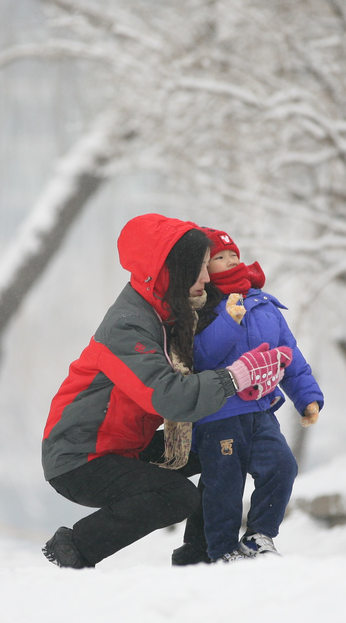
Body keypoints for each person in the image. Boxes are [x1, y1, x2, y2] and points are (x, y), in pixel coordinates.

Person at [40, 214, 292, 569]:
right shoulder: (130, 325)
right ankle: (75, 548)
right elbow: (170, 396)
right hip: (80, 457)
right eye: (199, 269)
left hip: (125, 446)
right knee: (175, 496)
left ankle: (200, 555)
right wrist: (236, 377)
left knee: (219, 445)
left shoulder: (171, 310)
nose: (207, 277)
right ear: (170, 271)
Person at [189, 227, 324, 563]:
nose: (230, 261)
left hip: (261, 411)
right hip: (218, 415)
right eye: (219, 258)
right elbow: (200, 358)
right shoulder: (201, 305)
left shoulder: (263, 303)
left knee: (282, 466)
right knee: (224, 485)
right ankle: (221, 550)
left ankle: (259, 535)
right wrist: (229, 320)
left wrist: (307, 397)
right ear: (204, 268)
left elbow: (289, 353)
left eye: (233, 254)